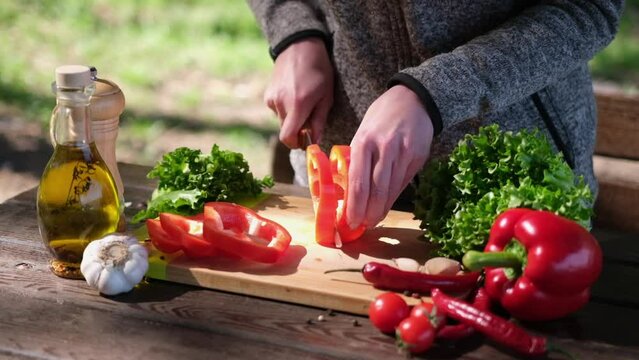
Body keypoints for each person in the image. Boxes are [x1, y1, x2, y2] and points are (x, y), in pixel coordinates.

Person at [247, 1, 623, 230]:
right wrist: (295, 32)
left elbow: (590, 8)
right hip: (341, 179)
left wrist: (438, 90)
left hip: (515, 198)